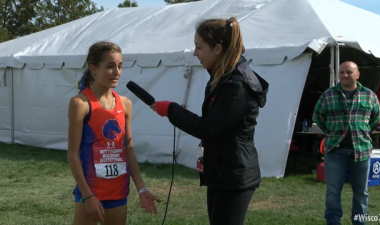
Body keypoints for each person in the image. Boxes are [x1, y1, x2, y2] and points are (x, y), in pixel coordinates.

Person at [150, 17, 269, 225]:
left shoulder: (236, 85)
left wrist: (172, 110)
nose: (195, 53)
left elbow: (211, 128)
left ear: (217, 49)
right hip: (221, 170)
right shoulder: (221, 77)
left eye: (199, 47)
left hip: (235, 173)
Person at [67, 41, 160, 225]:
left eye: (120, 66)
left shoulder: (125, 103)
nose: (117, 72)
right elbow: (72, 154)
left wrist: (141, 189)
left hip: (118, 192)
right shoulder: (80, 103)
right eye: (110, 67)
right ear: (93, 68)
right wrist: (87, 196)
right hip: (90, 192)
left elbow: (129, 149)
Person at [312, 61, 380, 225]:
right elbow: (318, 117)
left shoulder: (369, 95)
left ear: (357, 74)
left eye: (349, 72)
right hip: (335, 150)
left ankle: (359, 222)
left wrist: (362, 131)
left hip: (362, 150)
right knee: (333, 191)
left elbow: (377, 118)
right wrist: (332, 132)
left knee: (361, 192)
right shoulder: (328, 95)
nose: (344, 75)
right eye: (341, 72)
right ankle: (333, 222)